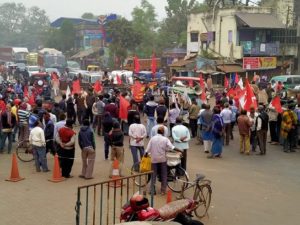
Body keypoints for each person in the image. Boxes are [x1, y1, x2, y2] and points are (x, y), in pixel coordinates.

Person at [145, 126, 176, 195]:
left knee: (153, 175)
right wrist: (179, 150)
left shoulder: (152, 139)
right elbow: (172, 147)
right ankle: (163, 191)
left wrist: (146, 154)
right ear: (163, 132)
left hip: (154, 159)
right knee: (164, 174)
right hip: (162, 159)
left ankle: (152, 191)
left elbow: (148, 148)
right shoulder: (165, 139)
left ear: (157, 132)